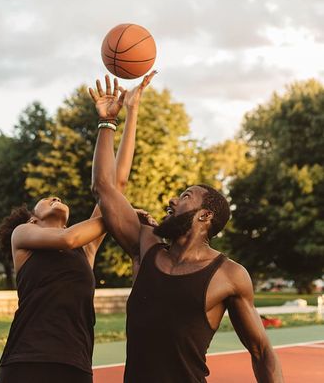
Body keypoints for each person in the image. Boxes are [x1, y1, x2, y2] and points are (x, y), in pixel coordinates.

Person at [89, 75, 284, 383]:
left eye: (184, 197)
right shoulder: (146, 244)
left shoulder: (229, 275)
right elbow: (105, 187)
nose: (171, 201)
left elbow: (261, 351)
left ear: (205, 215)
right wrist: (109, 122)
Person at [0, 74, 154, 383]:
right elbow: (68, 238)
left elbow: (114, 186)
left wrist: (125, 115)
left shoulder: (87, 247)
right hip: (27, 360)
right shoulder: (23, 237)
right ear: (33, 220)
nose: (55, 196)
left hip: (75, 363)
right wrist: (120, 214)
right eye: (45, 199)